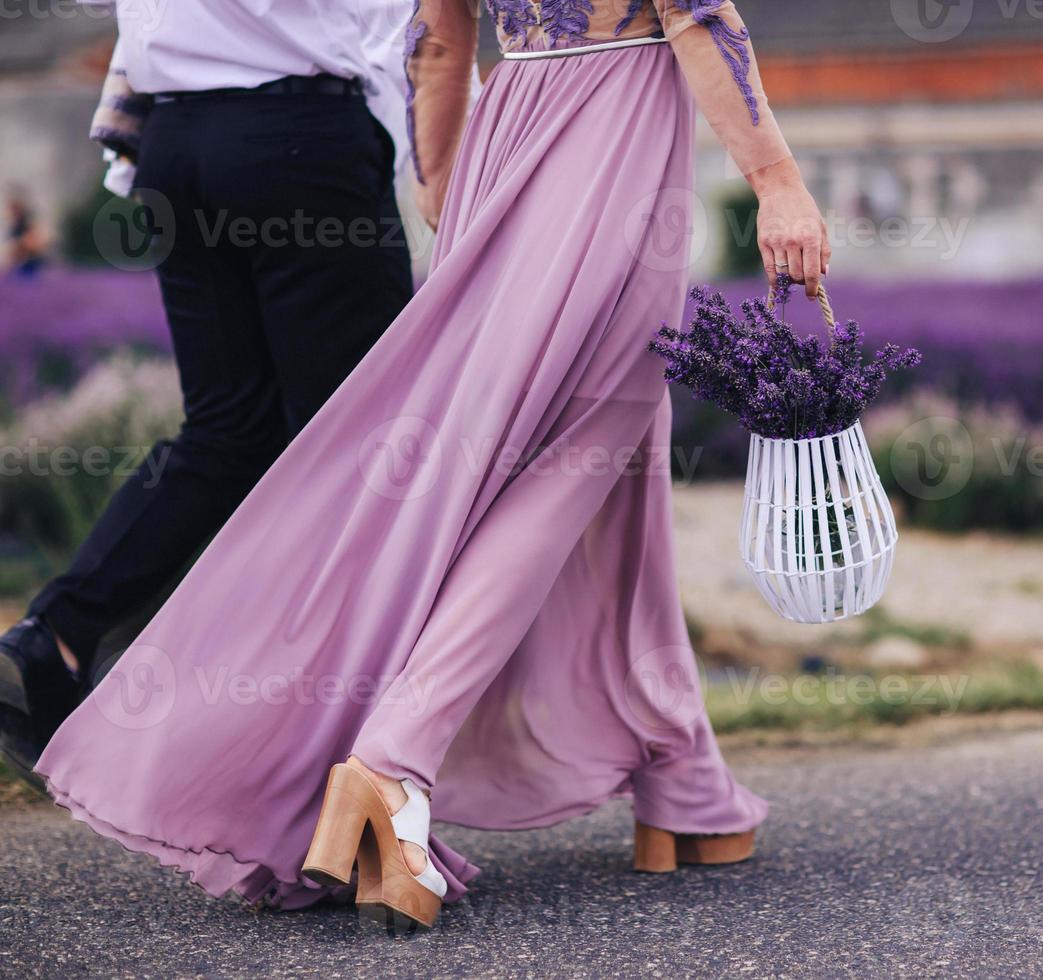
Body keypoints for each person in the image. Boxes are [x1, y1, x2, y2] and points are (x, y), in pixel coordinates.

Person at [34, 0, 829, 932]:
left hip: (506, 134)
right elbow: (696, 14)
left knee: (614, 447)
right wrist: (776, 180)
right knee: (583, 449)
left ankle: (683, 779)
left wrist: (446, 176)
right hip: (612, 144)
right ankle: (392, 765)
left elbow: (439, 34)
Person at [0, 2, 415, 778]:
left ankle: (55, 635)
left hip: (179, 141)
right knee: (355, 445)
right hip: (299, 134)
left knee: (228, 429)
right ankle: (304, 755)